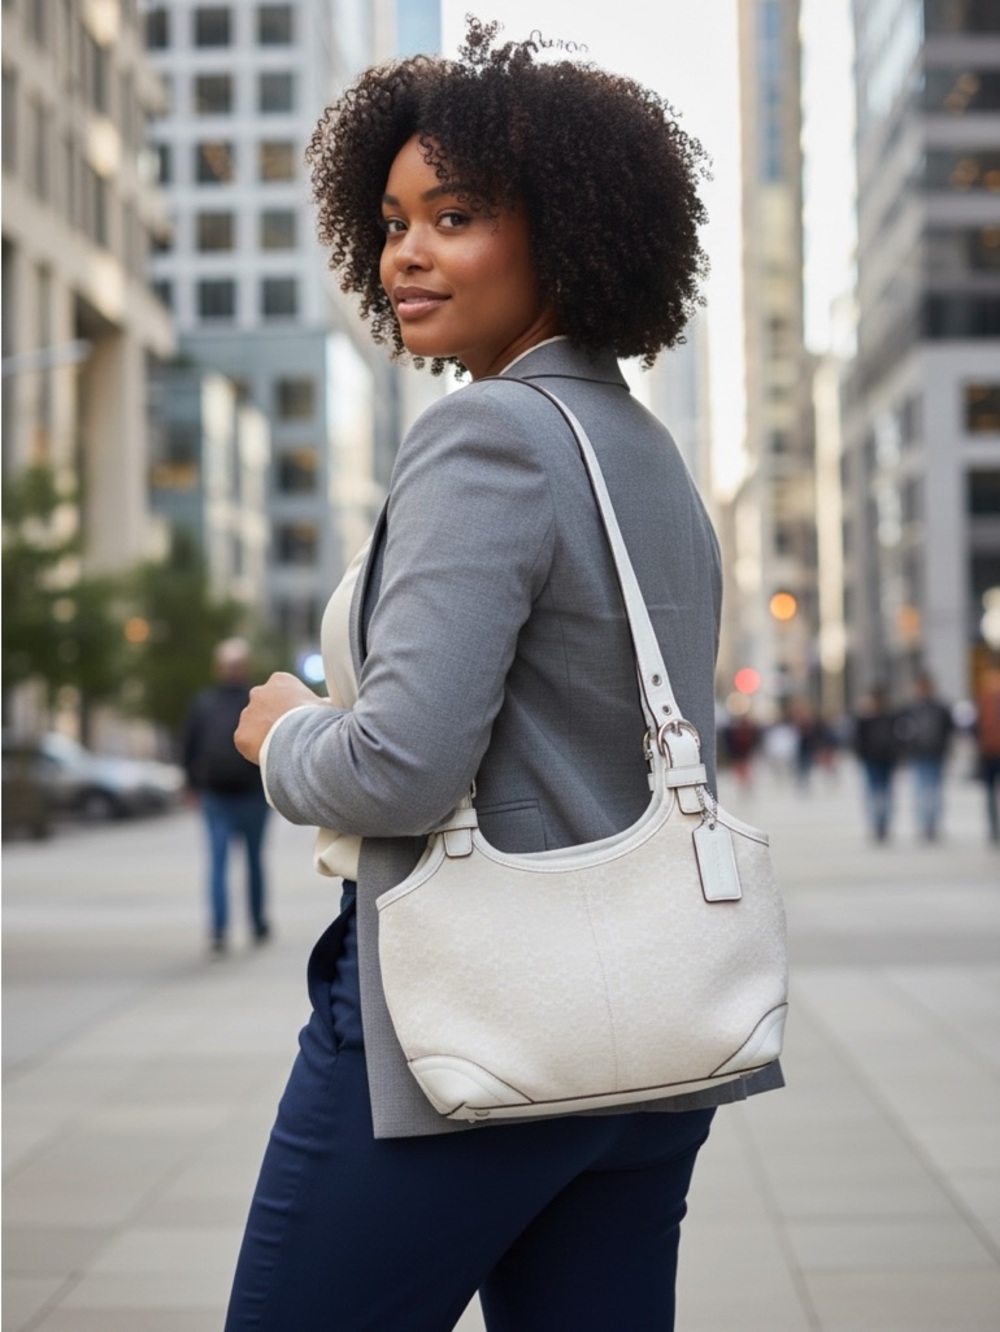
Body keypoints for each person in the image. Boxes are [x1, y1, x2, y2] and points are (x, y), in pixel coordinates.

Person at [225, 22, 782, 1330]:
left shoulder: (488, 435)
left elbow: (403, 768)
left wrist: (286, 731)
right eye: (394, 220)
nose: (407, 252)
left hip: (467, 1036)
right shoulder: (640, 451)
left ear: (567, 233)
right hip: (650, 1037)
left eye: (457, 215)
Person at [182, 637, 271, 951]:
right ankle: (233, 926)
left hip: (241, 795)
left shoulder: (242, 701)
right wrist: (192, 785)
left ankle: (244, 924)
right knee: (232, 862)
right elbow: (190, 746)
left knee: (241, 863)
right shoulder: (218, 702)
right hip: (227, 795)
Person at [896, 671, 954, 841]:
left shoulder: (941, 708)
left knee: (935, 790)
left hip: (936, 753)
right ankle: (924, 823)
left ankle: (933, 823)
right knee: (921, 789)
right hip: (919, 753)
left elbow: (948, 730)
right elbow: (902, 731)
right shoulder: (910, 708)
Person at [852, 685, 902, 842]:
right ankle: (876, 824)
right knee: (873, 794)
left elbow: (898, 738)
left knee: (885, 793)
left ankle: (884, 823)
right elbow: (858, 741)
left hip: (887, 760)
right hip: (871, 760)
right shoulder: (864, 720)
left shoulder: (890, 718)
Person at [975, 657, 1000, 844]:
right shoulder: (985, 697)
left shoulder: (985, 695)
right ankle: (993, 828)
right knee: (990, 793)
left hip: (989, 750)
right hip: (989, 750)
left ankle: (993, 828)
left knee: (990, 793)